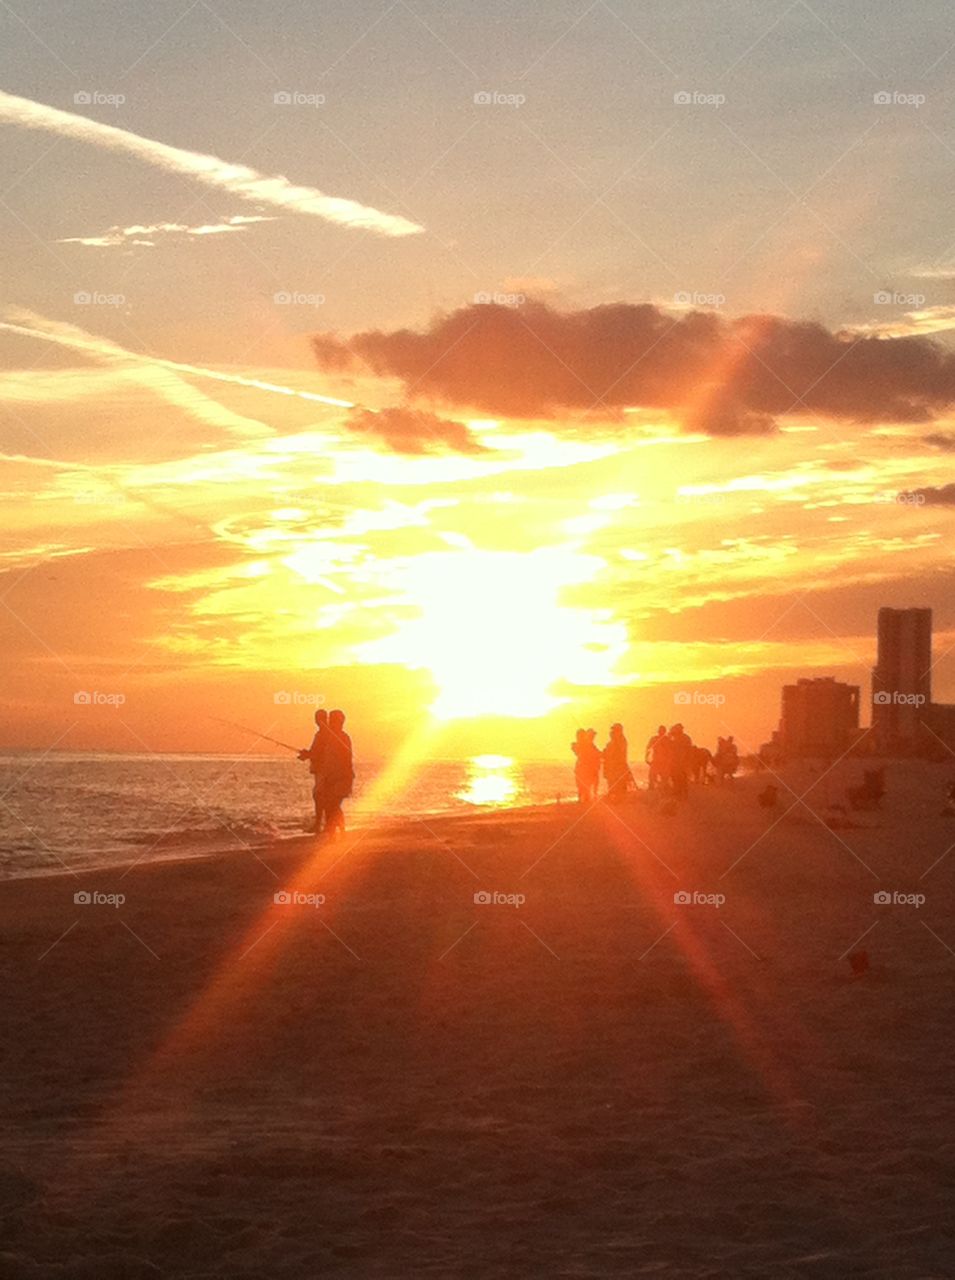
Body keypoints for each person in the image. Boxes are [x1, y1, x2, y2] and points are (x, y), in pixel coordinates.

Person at [323, 709, 354, 838]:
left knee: (333, 805)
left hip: (341, 778)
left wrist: (339, 776)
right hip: (332, 777)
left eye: (332, 720)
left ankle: (335, 832)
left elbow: (346, 759)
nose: (329, 722)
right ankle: (338, 832)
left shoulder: (342, 738)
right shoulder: (331, 738)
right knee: (332, 805)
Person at [298, 708, 328, 830]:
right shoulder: (323, 733)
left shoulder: (322, 734)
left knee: (318, 796)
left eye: (318, 718)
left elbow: (318, 753)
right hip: (322, 769)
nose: (316, 720)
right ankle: (324, 823)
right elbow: (316, 752)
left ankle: (319, 824)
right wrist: (307, 754)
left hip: (322, 770)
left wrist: (307, 755)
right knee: (322, 796)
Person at [602, 723, 633, 802]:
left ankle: (617, 799)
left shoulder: (620, 741)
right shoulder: (614, 741)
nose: (612, 732)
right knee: (613, 784)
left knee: (618, 784)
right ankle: (615, 798)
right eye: (612, 730)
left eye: (614, 730)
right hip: (613, 767)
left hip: (618, 767)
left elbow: (616, 754)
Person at [571, 728, 601, 804]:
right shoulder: (585, 745)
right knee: (583, 785)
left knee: (586, 785)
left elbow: (596, 754)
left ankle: (585, 799)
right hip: (584, 768)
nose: (593, 737)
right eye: (592, 735)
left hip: (587, 768)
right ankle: (584, 799)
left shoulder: (588, 745)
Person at [667, 723, 693, 799]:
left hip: (681, 762)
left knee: (681, 778)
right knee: (675, 777)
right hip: (676, 762)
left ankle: (681, 793)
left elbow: (688, 751)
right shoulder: (679, 738)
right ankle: (679, 793)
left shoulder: (683, 738)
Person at [645, 724, 668, 790]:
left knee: (664, 778)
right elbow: (648, 748)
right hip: (656, 761)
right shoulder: (654, 739)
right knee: (652, 777)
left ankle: (662, 790)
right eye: (660, 731)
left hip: (663, 762)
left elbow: (671, 752)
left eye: (662, 731)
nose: (661, 732)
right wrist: (646, 757)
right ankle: (652, 789)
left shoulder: (667, 740)